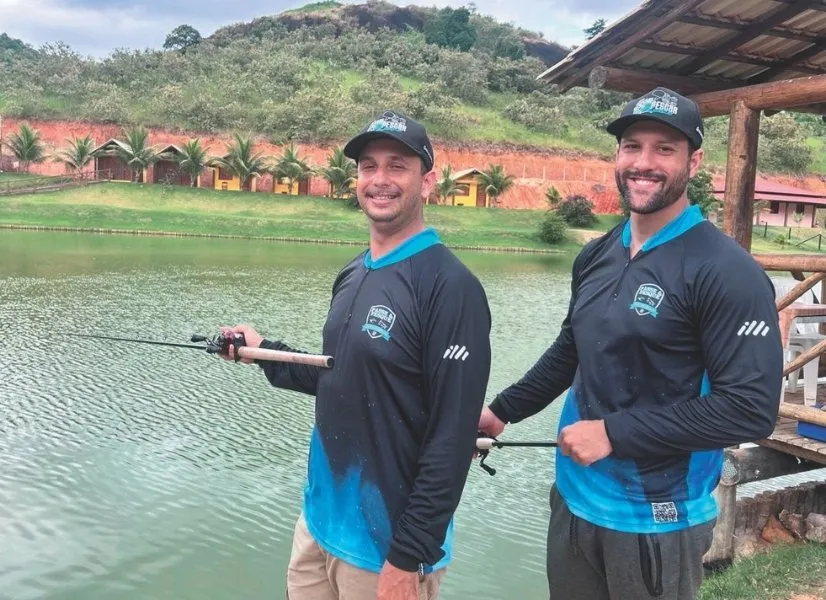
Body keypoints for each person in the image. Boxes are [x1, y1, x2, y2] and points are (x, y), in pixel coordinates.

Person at [478, 87, 783, 600]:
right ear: (617, 156)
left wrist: (615, 434)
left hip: (657, 515)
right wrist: (502, 410)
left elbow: (750, 411)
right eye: (632, 146)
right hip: (575, 496)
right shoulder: (597, 255)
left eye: (665, 148)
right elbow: (572, 348)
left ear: (694, 160)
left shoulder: (726, 271)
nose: (644, 163)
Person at [220, 110, 493, 600]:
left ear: (427, 182)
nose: (380, 180)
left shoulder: (451, 289)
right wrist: (262, 353)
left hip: (386, 551)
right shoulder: (354, 273)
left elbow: (452, 442)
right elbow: (338, 376)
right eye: (369, 166)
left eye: (397, 166)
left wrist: (406, 560)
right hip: (320, 525)